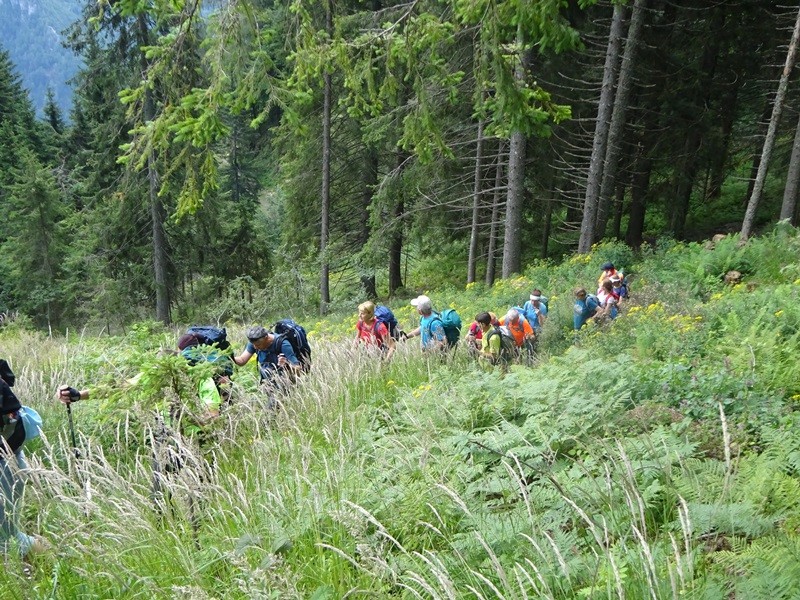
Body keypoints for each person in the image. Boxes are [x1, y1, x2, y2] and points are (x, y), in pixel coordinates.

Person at [1, 361, 49, 558]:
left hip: (6, 464)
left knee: (7, 537)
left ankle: (52, 571)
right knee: (9, 535)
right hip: (11, 460)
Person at [233, 326, 302, 389]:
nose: (255, 347)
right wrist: (229, 355)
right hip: (268, 384)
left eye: (258, 345)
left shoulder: (283, 344)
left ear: (266, 338)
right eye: (253, 344)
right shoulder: (255, 342)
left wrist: (287, 365)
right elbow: (242, 360)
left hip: (286, 384)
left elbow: (298, 369)